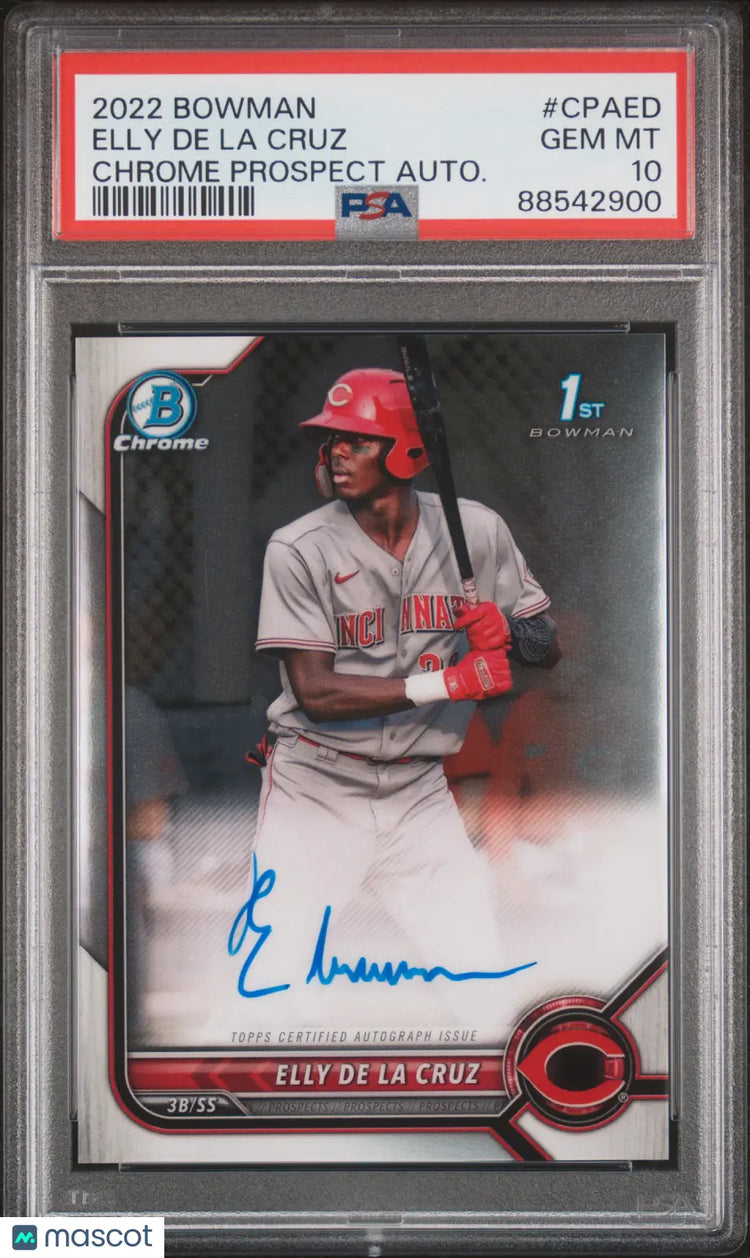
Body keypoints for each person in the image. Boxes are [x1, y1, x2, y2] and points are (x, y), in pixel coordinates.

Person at [237, 367, 560, 1021]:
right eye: (330, 440)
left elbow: (546, 644)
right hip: (316, 785)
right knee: (267, 989)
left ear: (408, 450)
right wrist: (451, 681)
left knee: (484, 990)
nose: (335, 453)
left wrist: (509, 633)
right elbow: (316, 693)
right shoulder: (298, 547)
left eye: (355, 440)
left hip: (419, 793)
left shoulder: (476, 530)